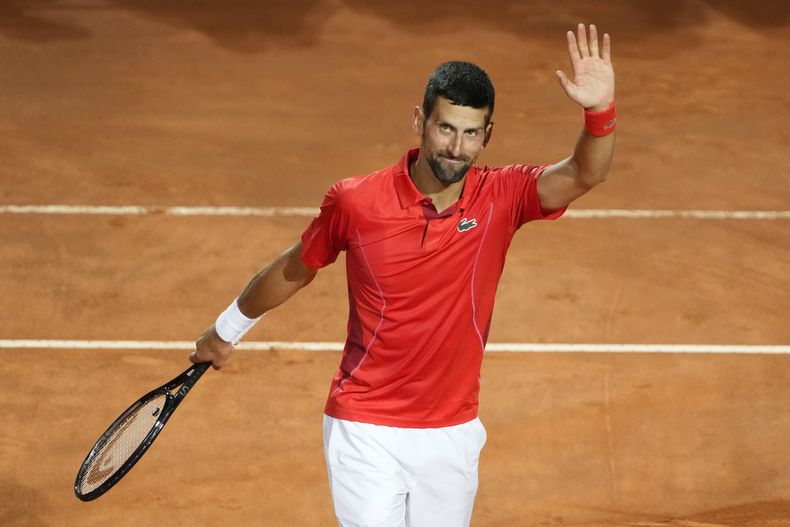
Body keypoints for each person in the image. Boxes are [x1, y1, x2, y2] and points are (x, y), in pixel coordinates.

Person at [192, 23, 616, 527]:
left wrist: (599, 113)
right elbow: (296, 267)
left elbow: (585, 174)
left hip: (452, 432)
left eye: (471, 133)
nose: (456, 147)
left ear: (487, 136)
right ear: (420, 120)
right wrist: (226, 330)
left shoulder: (502, 195)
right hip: (365, 426)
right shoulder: (357, 201)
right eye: (445, 128)